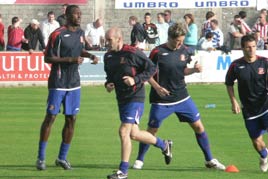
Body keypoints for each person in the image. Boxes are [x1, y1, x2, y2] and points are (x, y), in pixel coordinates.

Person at [133, 23, 225, 171]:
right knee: (151, 131)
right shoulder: (157, 52)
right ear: (169, 37)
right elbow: (147, 73)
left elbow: (183, 71)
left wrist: (194, 70)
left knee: (198, 126)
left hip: (182, 97)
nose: (180, 43)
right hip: (162, 100)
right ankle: (139, 160)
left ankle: (209, 159)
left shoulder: (184, 50)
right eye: (178, 41)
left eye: (182, 40)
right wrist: (157, 87)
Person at [35, 4, 98, 171]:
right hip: (58, 82)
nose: (79, 16)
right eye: (76, 14)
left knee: (71, 119)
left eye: (80, 14)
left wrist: (90, 55)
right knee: (51, 117)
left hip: (74, 84)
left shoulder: (80, 33)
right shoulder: (58, 34)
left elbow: (79, 50)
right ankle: (41, 158)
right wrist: (70, 60)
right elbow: (48, 58)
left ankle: (62, 158)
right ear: (69, 16)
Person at [104, 26, 172, 179]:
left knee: (123, 132)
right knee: (134, 134)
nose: (107, 43)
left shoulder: (132, 53)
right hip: (121, 99)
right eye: (106, 40)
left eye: (110, 40)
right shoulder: (108, 56)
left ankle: (123, 171)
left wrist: (135, 80)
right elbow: (110, 75)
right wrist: (108, 84)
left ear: (119, 39)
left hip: (135, 97)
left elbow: (151, 68)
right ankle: (164, 145)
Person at [225, 34, 268, 172]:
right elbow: (229, 83)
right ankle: (264, 156)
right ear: (242, 48)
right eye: (248, 47)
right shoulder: (236, 65)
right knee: (256, 141)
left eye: (254, 47)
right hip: (249, 110)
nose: (252, 50)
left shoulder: (264, 62)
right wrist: (234, 101)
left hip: (265, 106)